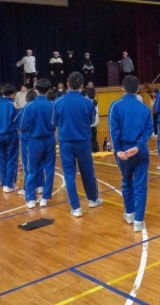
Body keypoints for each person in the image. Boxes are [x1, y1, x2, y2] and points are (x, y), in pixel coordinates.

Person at [53, 71, 103, 217]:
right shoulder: (88, 102)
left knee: (69, 175)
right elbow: (92, 121)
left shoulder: (58, 102)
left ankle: (76, 208)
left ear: (67, 84)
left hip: (66, 143)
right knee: (88, 172)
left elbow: (54, 122)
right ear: (82, 85)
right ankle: (93, 199)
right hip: (83, 142)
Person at [109, 75, 154, 232]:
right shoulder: (144, 108)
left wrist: (118, 149)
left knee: (126, 181)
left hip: (124, 150)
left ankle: (129, 213)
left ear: (122, 89)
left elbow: (114, 130)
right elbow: (149, 129)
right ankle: (138, 221)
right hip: (140, 150)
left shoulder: (116, 106)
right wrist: (139, 146)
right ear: (138, 90)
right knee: (141, 185)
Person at [20, 79, 56, 208]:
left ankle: (30, 198)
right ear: (49, 90)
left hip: (34, 141)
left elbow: (23, 127)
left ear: (35, 89)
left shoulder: (29, 106)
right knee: (49, 169)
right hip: (50, 140)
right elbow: (56, 123)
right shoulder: (53, 105)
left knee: (32, 170)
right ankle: (45, 198)